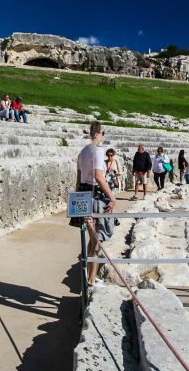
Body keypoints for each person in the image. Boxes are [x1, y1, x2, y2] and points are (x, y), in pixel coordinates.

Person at [76, 121, 116, 288]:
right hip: (95, 197)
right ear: (100, 133)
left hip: (84, 196)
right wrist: (112, 197)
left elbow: (78, 181)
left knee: (91, 240)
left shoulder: (82, 152)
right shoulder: (98, 151)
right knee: (97, 240)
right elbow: (99, 176)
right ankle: (91, 280)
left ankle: (89, 277)